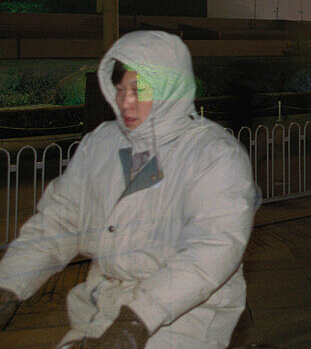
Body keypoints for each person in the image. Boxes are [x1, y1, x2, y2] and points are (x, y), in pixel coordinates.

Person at [0, 31, 259, 348]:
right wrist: (10, 284)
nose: (125, 101)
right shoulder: (103, 142)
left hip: (183, 315)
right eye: (120, 89)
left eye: (140, 90)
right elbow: (60, 219)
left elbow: (211, 251)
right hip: (102, 305)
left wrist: (135, 320)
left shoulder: (213, 153)